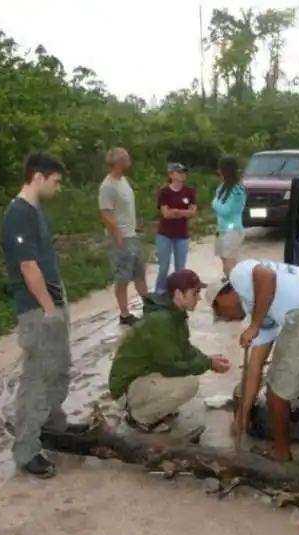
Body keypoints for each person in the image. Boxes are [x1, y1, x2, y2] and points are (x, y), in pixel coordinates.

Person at [206, 259, 299, 462]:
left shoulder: (239, 275)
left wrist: (254, 325)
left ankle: (281, 452)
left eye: (222, 313)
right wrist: (242, 415)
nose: (228, 319)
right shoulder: (263, 313)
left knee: (276, 390)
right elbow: (254, 368)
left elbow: (266, 275)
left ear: (223, 297)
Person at [1, 152, 87, 479]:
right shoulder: (18, 214)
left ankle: (54, 425)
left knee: (59, 368)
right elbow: (27, 266)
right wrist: (49, 308)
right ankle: (26, 450)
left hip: (51, 303)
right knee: (36, 378)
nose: (59, 188)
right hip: (38, 309)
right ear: (38, 176)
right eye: (56, 181)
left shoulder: (35, 211)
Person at [108, 269, 231, 433]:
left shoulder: (175, 314)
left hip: (141, 375)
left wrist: (208, 360)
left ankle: (152, 407)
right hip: (126, 386)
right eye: (195, 293)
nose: (199, 298)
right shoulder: (161, 320)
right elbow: (171, 366)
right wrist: (207, 363)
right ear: (179, 294)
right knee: (189, 384)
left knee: (183, 378)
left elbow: (185, 349)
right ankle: (139, 417)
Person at [99, 147, 148, 325]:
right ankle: (124, 313)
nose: (129, 160)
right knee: (122, 277)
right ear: (118, 162)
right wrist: (117, 235)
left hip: (132, 235)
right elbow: (105, 213)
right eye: (126, 158)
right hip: (121, 238)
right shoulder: (108, 186)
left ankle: (148, 305)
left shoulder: (123, 181)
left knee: (140, 273)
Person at [154, 163, 197, 294]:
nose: (182, 175)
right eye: (179, 172)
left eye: (183, 172)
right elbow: (166, 214)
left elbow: (193, 212)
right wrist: (183, 212)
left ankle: (179, 291)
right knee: (164, 266)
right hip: (165, 234)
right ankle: (159, 291)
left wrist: (176, 211)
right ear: (171, 174)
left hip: (181, 234)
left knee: (180, 267)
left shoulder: (189, 191)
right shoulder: (164, 192)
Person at [211, 156, 247, 278]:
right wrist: (217, 204)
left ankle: (233, 286)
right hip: (221, 229)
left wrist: (215, 204)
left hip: (232, 230)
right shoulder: (222, 187)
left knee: (230, 262)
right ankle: (228, 280)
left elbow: (226, 210)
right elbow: (218, 205)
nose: (218, 171)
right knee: (223, 258)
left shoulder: (237, 190)